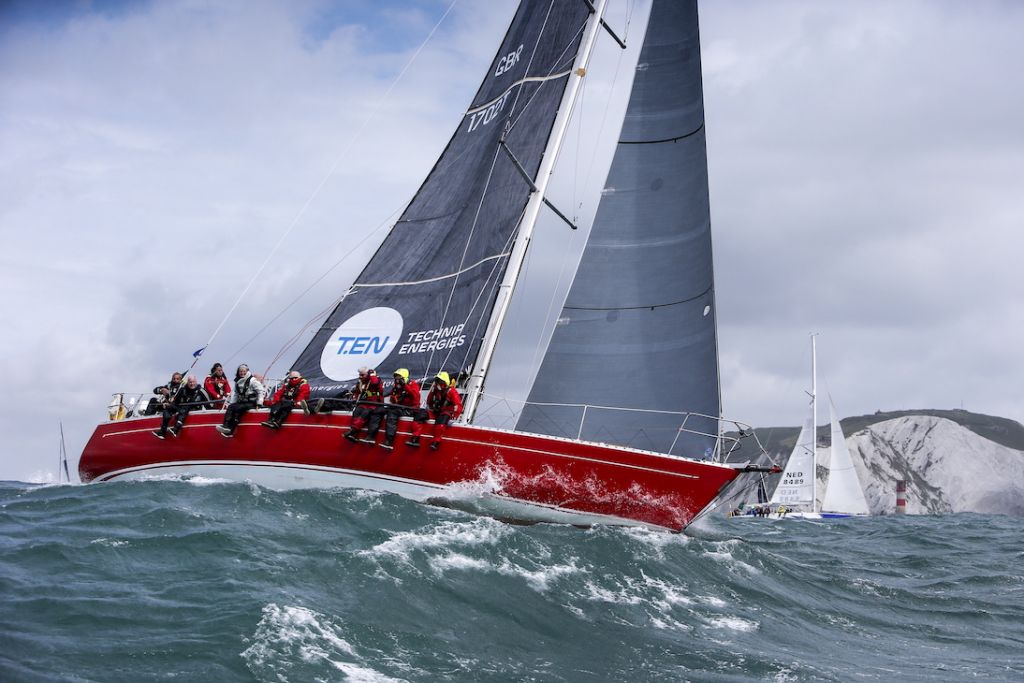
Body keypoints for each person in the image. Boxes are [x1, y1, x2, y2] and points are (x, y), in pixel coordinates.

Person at [365, 368, 421, 450]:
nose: (397, 379)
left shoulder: (413, 384)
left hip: (409, 409)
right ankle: (371, 436)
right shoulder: (396, 386)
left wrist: (405, 386)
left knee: (392, 414)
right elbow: (391, 396)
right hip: (398, 407)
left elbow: (416, 398)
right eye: (396, 377)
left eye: (399, 377)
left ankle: (389, 441)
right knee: (378, 410)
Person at [410, 371, 462, 450]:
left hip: (445, 412)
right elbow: (429, 401)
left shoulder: (451, 391)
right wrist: (427, 408)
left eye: (439, 381)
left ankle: (436, 441)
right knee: (419, 415)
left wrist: (455, 416)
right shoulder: (434, 389)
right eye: (437, 380)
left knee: (441, 423)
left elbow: (458, 404)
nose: (437, 382)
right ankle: (415, 437)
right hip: (434, 411)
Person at [216, 364, 265, 438]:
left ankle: (231, 429)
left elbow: (260, 391)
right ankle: (225, 425)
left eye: (244, 371)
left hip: (251, 402)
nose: (242, 373)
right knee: (231, 407)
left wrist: (259, 403)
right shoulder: (237, 382)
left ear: (247, 371)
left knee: (238, 409)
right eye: (240, 371)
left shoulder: (252, 380)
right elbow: (235, 394)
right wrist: (232, 403)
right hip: (242, 402)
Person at [343, 367, 385, 442]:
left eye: (362, 375)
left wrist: (372, 375)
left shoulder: (376, 379)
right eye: (359, 375)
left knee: (365, 413)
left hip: (375, 403)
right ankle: (354, 434)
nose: (360, 377)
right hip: (365, 402)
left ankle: (353, 430)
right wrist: (355, 399)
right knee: (356, 411)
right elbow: (357, 392)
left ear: (368, 374)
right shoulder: (360, 382)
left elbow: (375, 383)